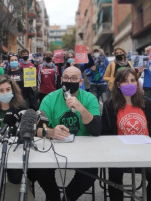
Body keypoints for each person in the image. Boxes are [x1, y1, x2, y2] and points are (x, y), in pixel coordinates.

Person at [101, 68, 151, 201]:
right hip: (120, 154)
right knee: (114, 178)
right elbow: (105, 132)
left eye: (133, 80)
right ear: (118, 84)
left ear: (137, 83)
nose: (130, 84)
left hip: (148, 154)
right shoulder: (110, 106)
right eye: (125, 81)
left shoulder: (147, 103)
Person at [35, 66, 101, 201]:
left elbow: (96, 130)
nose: (69, 81)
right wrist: (51, 132)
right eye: (66, 78)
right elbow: (38, 129)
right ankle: (53, 196)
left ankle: (68, 197)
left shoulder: (90, 99)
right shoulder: (49, 99)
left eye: (74, 78)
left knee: (91, 172)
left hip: (83, 149)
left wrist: (81, 108)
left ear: (81, 82)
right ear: (61, 80)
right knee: (40, 170)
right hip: (54, 149)